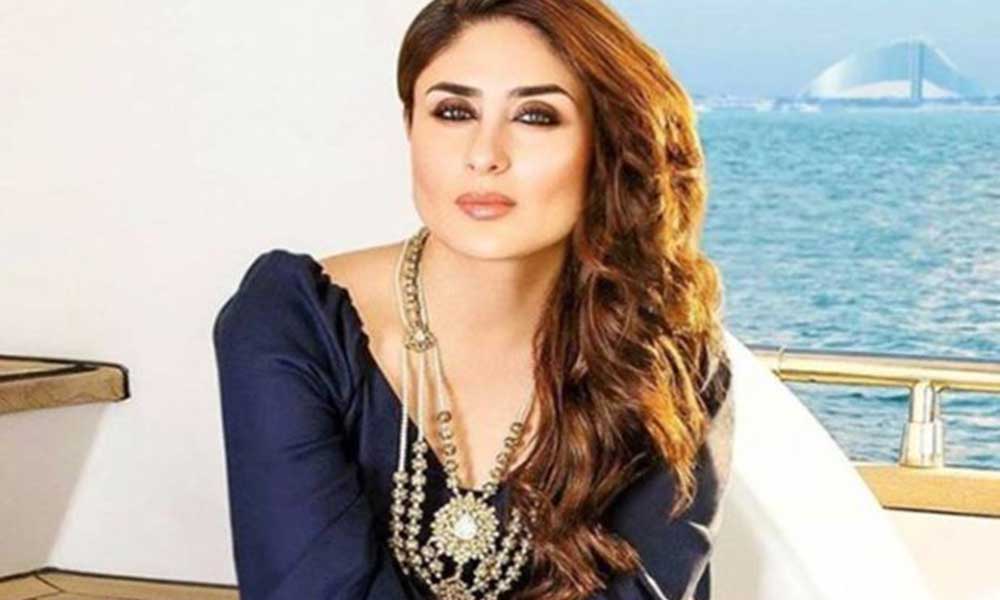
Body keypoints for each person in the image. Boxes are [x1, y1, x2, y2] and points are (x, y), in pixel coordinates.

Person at [212, 1, 734, 599]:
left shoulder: (666, 355)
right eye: (454, 112)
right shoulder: (291, 323)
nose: (485, 155)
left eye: (536, 116)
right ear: (411, 127)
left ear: (607, 144)